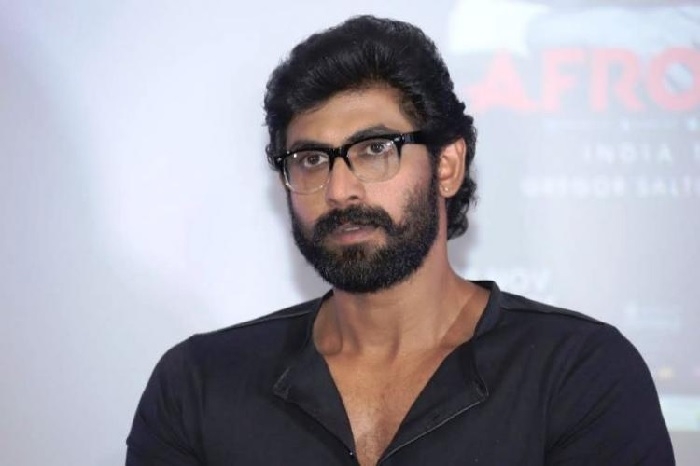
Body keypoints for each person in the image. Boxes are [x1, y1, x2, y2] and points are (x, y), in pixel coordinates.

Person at [126, 15, 674, 465]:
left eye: (374, 150)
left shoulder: (577, 374)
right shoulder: (198, 386)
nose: (339, 189)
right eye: (311, 159)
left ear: (447, 166)